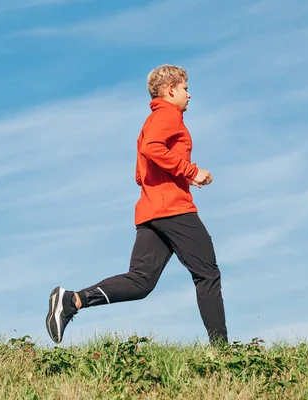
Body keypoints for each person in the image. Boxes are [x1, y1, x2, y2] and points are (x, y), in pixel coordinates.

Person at [45, 64, 228, 346]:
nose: (189, 95)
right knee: (207, 274)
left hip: (152, 210)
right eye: (185, 89)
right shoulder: (169, 115)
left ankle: (71, 301)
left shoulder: (151, 120)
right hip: (174, 209)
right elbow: (152, 149)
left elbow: (141, 174)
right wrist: (191, 171)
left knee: (141, 281)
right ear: (170, 90)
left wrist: (180, 177)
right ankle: (223, 353)